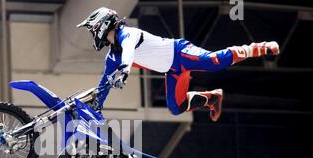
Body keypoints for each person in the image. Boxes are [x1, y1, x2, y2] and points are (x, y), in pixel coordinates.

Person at [77, 7, 279, 121]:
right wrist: (96, 106)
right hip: (172, 71)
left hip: (179, 52)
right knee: (176, 107)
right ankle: (212, 98)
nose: (92, 34)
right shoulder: (112, 57)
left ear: (102, 25)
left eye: (92, 29)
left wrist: (125, 70)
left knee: (214, 62)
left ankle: (258, 47)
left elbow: (129, 48)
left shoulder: (127, 33)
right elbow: (104, 84)